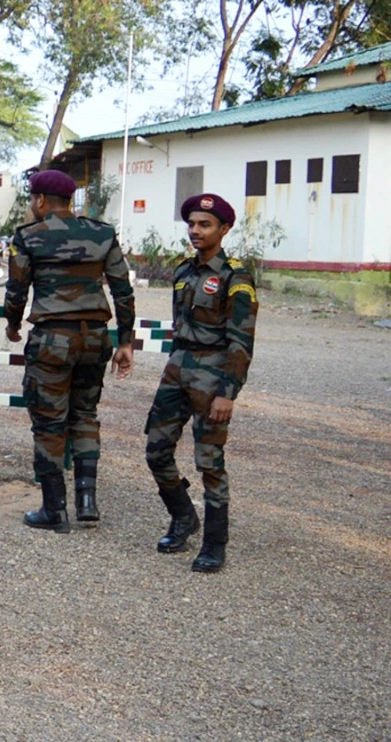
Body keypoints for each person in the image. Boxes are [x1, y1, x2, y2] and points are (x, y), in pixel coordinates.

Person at [3, 170, 136, 532]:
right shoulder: (102, 233)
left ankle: (54, 510)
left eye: (33, 199)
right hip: (95, 338)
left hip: (52, 339)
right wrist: (125, 340)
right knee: (85, 415)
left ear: (41, 200)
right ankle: (87, 502)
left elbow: (16, 290)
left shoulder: (29, 237)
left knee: (49, 422)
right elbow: (123, 290)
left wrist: (13, 324)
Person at [144, 192, 257, 573]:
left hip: (213, 373)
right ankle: (183, 518)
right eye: (191, 224)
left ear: (224, 229)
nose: (195, 230)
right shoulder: (183, 271)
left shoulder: (235, 276)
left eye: (204, 224)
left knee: (209, 461)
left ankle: (214, 543)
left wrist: (228, 393)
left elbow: (241, 340)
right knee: (156, 450)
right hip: (178, 368)